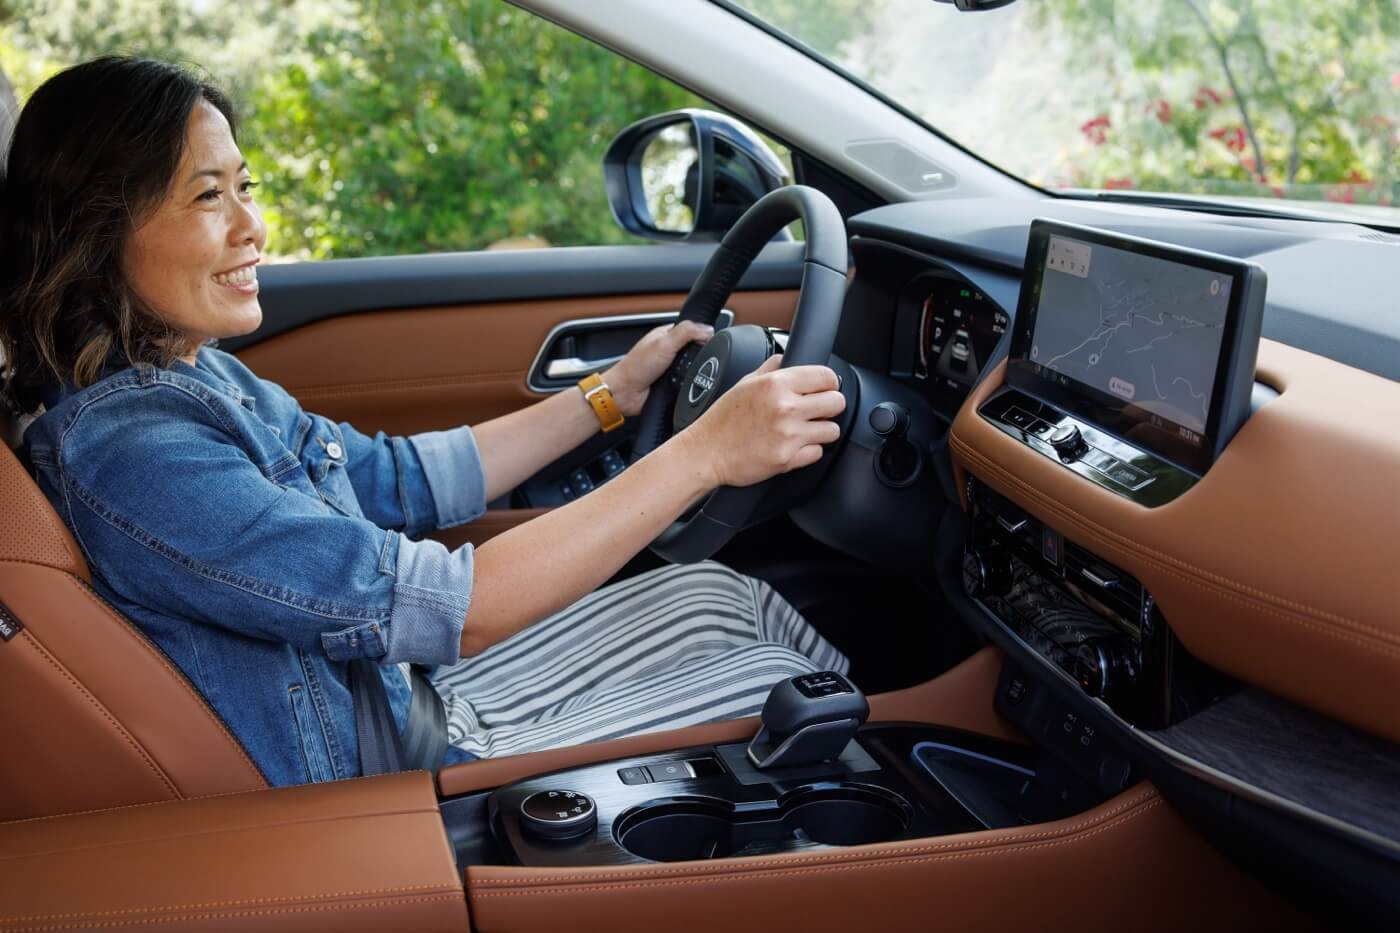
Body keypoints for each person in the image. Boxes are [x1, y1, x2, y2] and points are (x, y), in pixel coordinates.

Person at [0, 57, 849, 786]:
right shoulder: (138, 453)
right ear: (101, 229)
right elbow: (459, 607)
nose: (252, 226)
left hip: (399, 689)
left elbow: (397, 477)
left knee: (721, 595)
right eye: (207, 196)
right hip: (395, 770)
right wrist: (705, 454)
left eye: (244, 186)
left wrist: (610, 396)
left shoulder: (191, 376)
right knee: (782, 679)